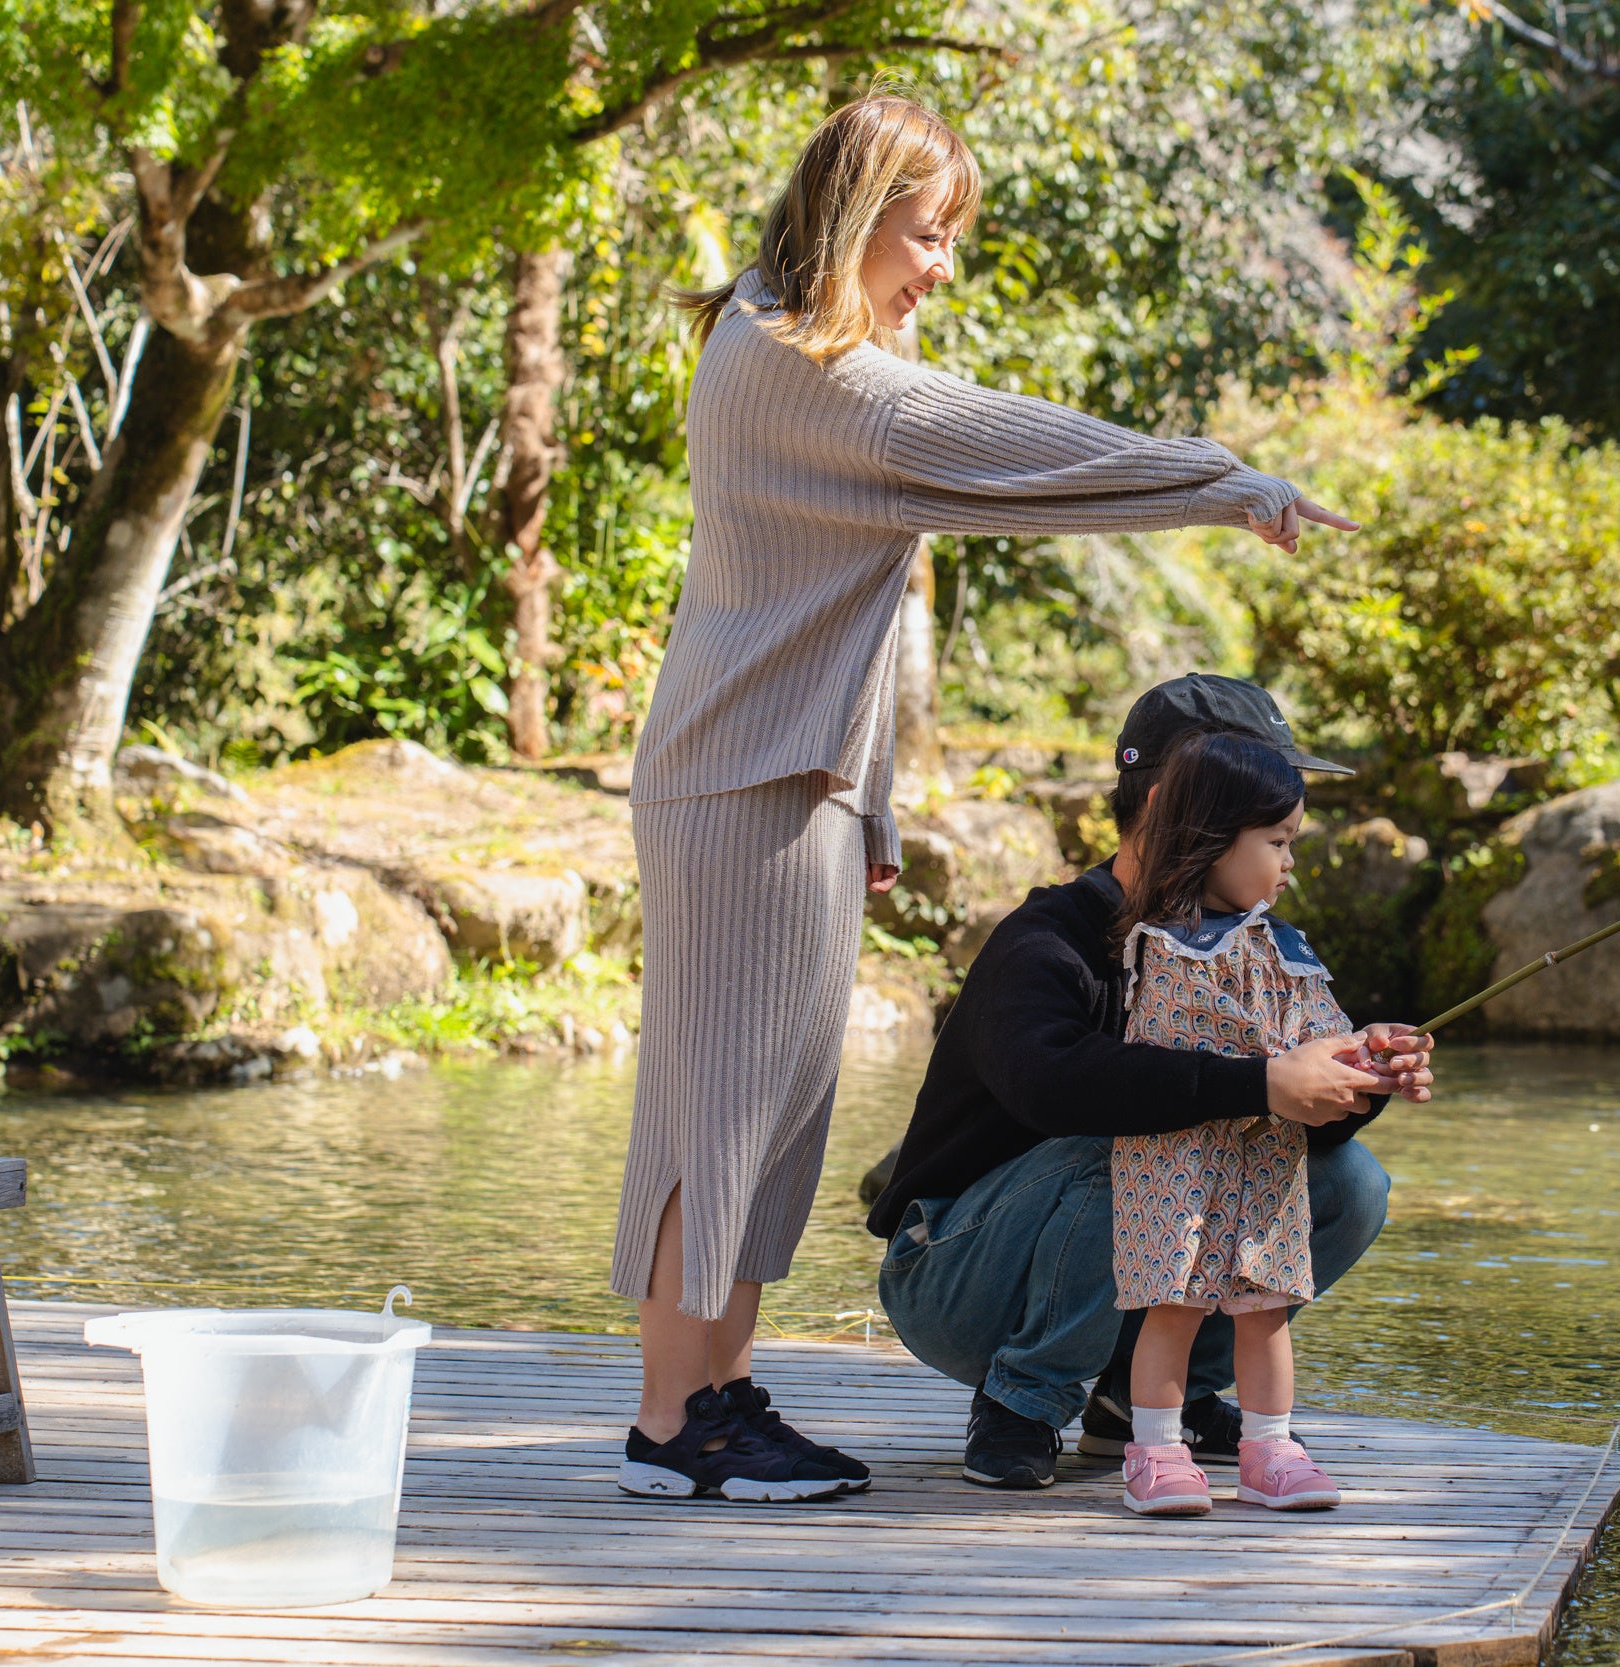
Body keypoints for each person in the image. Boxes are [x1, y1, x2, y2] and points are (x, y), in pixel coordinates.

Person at [608, 95, 1357, 1506]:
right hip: (741, 774)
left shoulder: (801, 343)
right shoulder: (805, 370)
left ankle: (716, 1390)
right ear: (852, 212)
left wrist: (873, 804)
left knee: (772, 1112)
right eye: (926, 230)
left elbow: (835, 609)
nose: (940, 263)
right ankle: (674, 1418)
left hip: (794, 775)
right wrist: (1219, 482)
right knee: (710, 1111)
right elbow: (1022, 450)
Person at [866, 675, 1434, 1490]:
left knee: (1350, 1181)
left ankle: (1146, 1404)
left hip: (1121, 1251)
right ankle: (1022, 1397)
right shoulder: (1049, 938)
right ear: (1178, 806)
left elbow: (1285, 1114)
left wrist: (1355, 1075)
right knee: (1137, 1143)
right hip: (956, 1276)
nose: (1288, 854)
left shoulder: (1264, 946)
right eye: (1271, 823)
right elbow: (1056, 1087)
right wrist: (1263, 1081)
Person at [1108, 733, 1352, 1517]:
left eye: (1292, 844)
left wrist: (1367, 1052)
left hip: (1265, 1160)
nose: (1288, 863)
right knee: (1173, 1302)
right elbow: (1197, 1036)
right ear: (1214, 838)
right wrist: (1282, 1067)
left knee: (1267, 1303)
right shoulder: (1163, 945)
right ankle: (1156, 1447)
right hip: (1178, 1159)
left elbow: (1322, 1024)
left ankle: (1270, 1445)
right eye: (1276, 842)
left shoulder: (1288, 946)